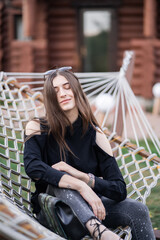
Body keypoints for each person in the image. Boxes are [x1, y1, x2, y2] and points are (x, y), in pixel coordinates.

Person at [24, 67, 155, 240]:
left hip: (94, 209)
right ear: (50, 98)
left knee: (137, 209)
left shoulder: (96, 135)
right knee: (60, 176)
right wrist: (80, 186)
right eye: (55, 91)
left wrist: (84, 178)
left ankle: (97, 227)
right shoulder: (38, 127)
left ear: (76, 90)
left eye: (67, 87)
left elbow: (119, 189)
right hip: (57, 213)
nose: (63, 93)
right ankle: (100, 234)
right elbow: (33, 167)